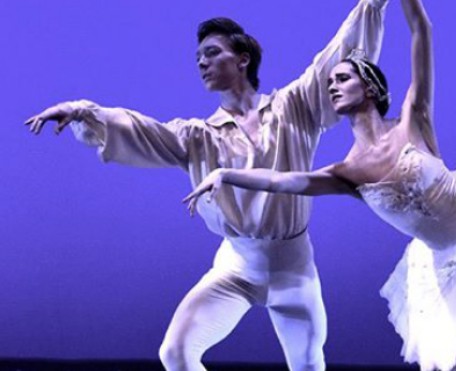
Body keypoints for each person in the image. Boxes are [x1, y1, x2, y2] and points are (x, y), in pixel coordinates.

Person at [182, 0, 456, 370]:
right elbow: (284, 181)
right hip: (441, 259)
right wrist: (224, 174)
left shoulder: (414, 118)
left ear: (370, 86)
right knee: (448, 359)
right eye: (331, 81)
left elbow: (421, 33)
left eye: (342, 78)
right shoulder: (348, 171)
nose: (332, 87)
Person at [24, 1, 388, 370]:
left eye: (212, 53)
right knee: (175, 352)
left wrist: (372, 4)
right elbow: (141, 129)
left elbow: (338, 56)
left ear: (242, 58)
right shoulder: (198, 136)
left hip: (293, 268)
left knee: (308, 363)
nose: (201, 62)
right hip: (237, 266)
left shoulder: (292, 107)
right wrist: (82, 111)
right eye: (198, 56)